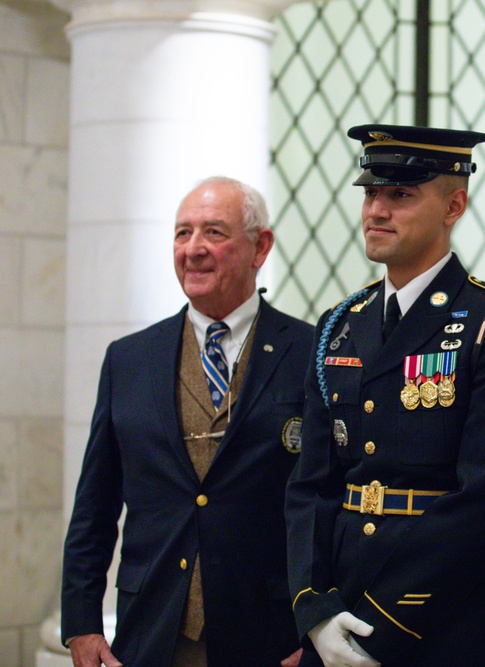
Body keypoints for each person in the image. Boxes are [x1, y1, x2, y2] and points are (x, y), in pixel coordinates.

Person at [286, 124, 485, 667]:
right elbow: (311, 485)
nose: (376, 209)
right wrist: (315, 608)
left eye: (400, 195)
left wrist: (384, 619)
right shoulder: (339, 324)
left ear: (454, 205)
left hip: (448, 615)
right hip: (340, 612)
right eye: (370, 192)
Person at [61, 176, 313, 667]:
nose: (193, 249)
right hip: (153, 630)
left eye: (214, 233)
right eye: (182, 233)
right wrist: (82, 623)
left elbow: (330, 503)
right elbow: (94, 505)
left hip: (270, 634)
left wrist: (318, 628)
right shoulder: (128, 360)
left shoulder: (310, 354)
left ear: (260, 247)